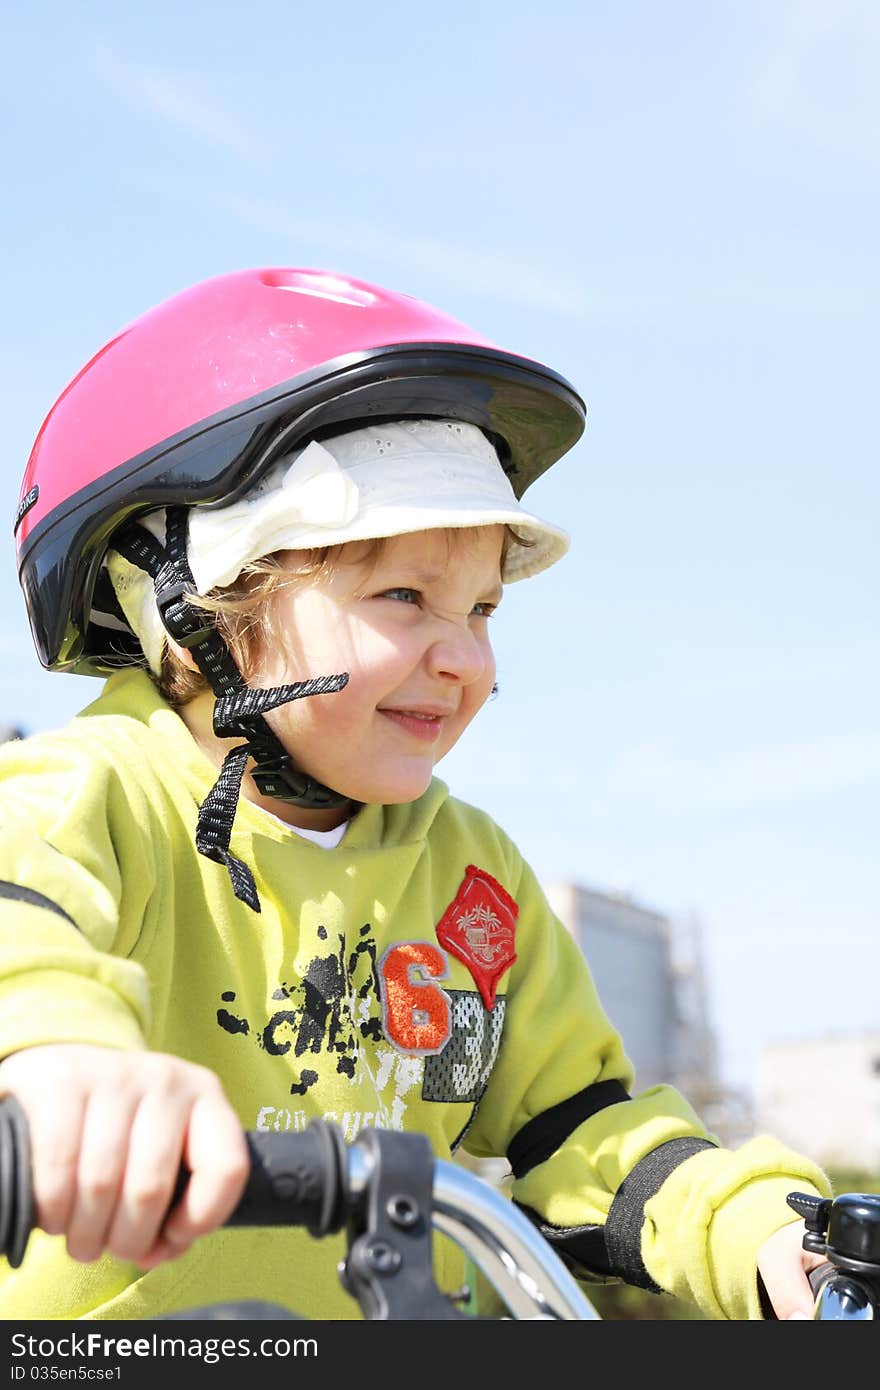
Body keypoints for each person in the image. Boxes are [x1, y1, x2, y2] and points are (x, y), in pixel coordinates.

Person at [0, 266, 829, 1321]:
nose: (467, 660)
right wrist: (63, 1056)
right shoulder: (83, 794)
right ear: (195, 603)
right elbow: (19, 923)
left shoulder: (468, 875)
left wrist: (764, 1236)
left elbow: (585, 1129)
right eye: (403, 596)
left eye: (481, 609)